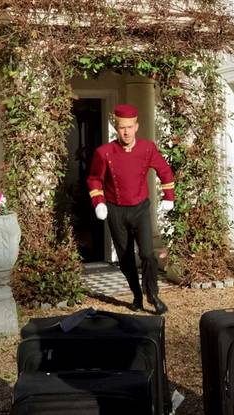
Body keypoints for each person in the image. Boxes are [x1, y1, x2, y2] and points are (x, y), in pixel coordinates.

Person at [87, 103, 175, 315]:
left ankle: (152, 295)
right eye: (121, 128)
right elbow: (94, 179)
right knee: (125, 258)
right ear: (116, 128)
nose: (126, 132)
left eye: (129, 127)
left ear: (136, 126)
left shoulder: (147, 148)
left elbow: (165, 171)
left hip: (140, 208)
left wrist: (168, 196)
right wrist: (99, 202)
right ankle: (136, 294)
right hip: (115, 210)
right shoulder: (104, 152)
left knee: (147, 254)